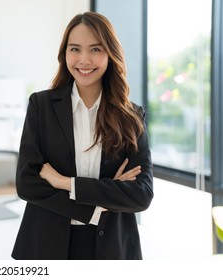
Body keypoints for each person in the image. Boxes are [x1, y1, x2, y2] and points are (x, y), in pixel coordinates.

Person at [11, 12, 153, 260]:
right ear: (64, 54)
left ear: (110, 54)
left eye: (95, 49)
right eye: (75, 49)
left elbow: (141, 195)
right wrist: (101, 203)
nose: (84, 59)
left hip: (113, 248)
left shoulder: (131, 116)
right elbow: (27, 183)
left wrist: (65, 183)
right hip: (45, 246)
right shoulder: (41, 106)